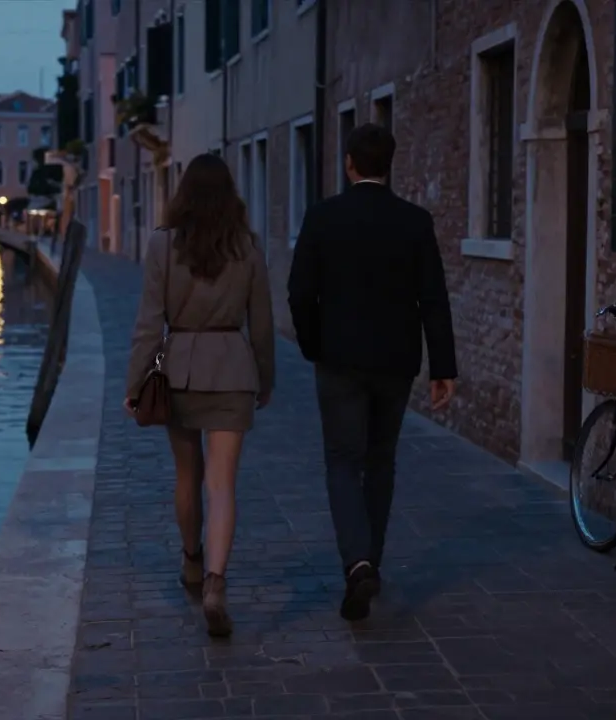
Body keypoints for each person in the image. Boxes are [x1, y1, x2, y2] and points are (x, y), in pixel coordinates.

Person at [287, 123, 458, 622]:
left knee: (343, 460)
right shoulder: (415, 222)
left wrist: (312, 344)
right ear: (389, 165)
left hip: (338, 360)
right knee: (380, 460)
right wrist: (442, 367)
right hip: (395, 361)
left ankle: (358, 562)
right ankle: (370, 561)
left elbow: (300, 292)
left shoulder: (322, 217)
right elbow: (434, 299)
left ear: (349, 164)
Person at [125, 153, 275, 638]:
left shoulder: (162, 245)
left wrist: (135, 384)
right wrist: (266, 378)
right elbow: (262, 323)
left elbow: (149, 324)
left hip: (181, 371)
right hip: (233, 368)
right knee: (222, 483)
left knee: (186, 475)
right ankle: (215, 583)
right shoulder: (247, 247)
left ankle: (191, 560)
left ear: (184, 194)